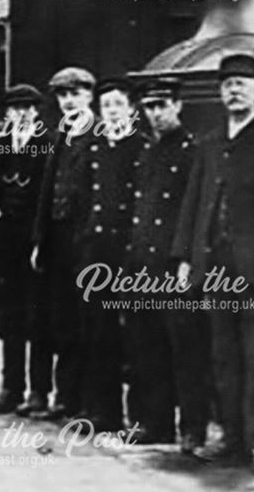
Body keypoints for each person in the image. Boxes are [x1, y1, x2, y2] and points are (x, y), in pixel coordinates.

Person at [172, 54, 254, 474]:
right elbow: (193, 204)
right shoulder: (209, 142)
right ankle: (233, 439)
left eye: (242, 83)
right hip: (214, 268)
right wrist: (185, 257)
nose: (233, 90)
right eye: (227, 84)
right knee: (223, 358)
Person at [125, 76, 212, 452]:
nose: (156, 114)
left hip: (174, 266)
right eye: (149, 107)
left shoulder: (193, 152)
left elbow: (197, 214)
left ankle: (192, 428)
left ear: (179, 106)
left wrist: (187, 262)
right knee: (148, 346)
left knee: (186, 350)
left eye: (162, 106)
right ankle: (154, 422)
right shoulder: (147, 152)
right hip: (144, 264)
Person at [74, 77, 144, 431]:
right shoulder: (95, 149)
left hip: (127, 252)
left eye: (118, 104)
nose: (112, 111)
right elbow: (84, 198)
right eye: (106, 106)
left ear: (131, 109)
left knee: (130, 335)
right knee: (96, 331)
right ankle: (101, 409)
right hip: (96, 250)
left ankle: (133, 415)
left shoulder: (141, 148)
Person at [29, 66, 95, 421]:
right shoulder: (59, 135)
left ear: (89, 96)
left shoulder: (97, 135)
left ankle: (75, 397)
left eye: (75, 94)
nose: (69, 101)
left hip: (82, 242)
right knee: (59, 319)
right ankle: (61, 395)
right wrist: (39, 239)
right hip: (56, 240)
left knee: (81, 322)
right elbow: (46, 190)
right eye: (63, 95)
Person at [0, 84, 51, 416]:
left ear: (36, 113)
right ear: (7, 114)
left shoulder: (47, 146)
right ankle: (11, 388)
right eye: (15, 109)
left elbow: (48, 196)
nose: (21, 114)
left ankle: (39, 391)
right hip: (8, 243)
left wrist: (41, 240)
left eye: (27, 108)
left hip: (36, 244)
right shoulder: (1, 146)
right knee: (10, 317)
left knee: (38, 317)